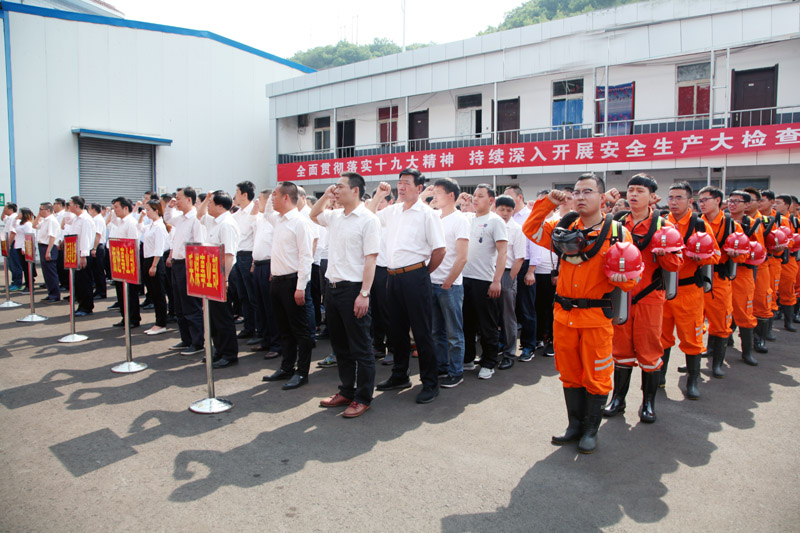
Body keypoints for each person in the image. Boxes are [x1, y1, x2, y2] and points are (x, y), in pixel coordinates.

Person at [523, 173, 637, 454]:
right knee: (569, 374)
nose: (580, 197)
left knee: (597, 375)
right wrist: (549, 203)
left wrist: (620, 275)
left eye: (588, 191)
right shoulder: (562, 228)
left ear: (602, 197)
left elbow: (631, 278)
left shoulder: (617, 233)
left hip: (596, 318)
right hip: (564, 316)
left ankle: (590, 430)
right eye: (576, 192)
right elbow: (531, 228)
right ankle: (574, 426)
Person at [604, 174, 682, 424]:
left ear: (652, 196)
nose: (634, 195)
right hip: (622, 296)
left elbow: (675, 265)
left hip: (650, 297)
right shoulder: (617, 223)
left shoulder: (664, 226)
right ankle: (618, 399)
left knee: (649, 351)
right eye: (631, 190)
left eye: (640, 190)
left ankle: (648, 403)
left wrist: (664, 252)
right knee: (621, 349)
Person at [367, 168, 446, 404]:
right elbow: (368, 217)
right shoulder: (392, 211)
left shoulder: (428, 214)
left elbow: (440, 250)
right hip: (392, 277)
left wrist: (422, 273)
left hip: (415, 276)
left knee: (422, 332)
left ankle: (430, 383)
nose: (401, 187)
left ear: (419, 188)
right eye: (399, 182)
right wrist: (379, 196)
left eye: (407, 183)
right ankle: (400, 375)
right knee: (396, 331)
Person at [312, 172, 381, 417]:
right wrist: (326, 196)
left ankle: (363, 398)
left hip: (354, 290)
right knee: (340, 346)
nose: (336, 190)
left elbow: (371, 258)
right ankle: (346, 391)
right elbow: (313, 214)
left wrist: (364, 293)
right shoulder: (336, 216)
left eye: (340, 186)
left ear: (355, 190)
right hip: (332, 288)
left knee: (361, 347)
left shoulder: (368, 219)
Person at [658, 182, 719, 399]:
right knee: (661, 337)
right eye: (671, 197)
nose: (673, 202)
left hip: (688, 290)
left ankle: (693, 380)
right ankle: (659, 378)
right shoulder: (661, 223)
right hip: (663, 290)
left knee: (691, 337)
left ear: (689, 201)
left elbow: (716, 255)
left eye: (679, 198)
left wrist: (699, 257)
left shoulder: (699, 225)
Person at [261, 182, 315, 390]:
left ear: (286, 198)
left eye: (275, 195)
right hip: (277, 281)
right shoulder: (278, 219)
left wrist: (301, 286)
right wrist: (274, 188)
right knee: (284, 329)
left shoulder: (300, 223)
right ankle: (286, 367)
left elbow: (306, 257)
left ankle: (302, 372)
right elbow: (267, 212)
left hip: (293, 283)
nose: (271, 198)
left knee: (300, 331)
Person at [698, 186, 747, 377]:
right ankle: (693, 358)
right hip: (697, 278)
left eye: (705, 200)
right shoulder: (696, 223)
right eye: (700, 200)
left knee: (721, 323)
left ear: (718, 201)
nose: (702, 204)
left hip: (719, 279)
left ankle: (717, 364)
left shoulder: (732, 225)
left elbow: (744, 253)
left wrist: (736, 254)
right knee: (693, 323)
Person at [461, 185, 508, 379]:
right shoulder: (468, 219)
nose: (475, 199)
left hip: (485, 280)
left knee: (487, 325)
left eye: (480, 196)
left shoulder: (495, 221)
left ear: (491, 200)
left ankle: (489, 362)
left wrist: (497, 281)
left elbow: (503, 253)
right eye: (474, 195)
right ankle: (468, 358)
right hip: (465, 278)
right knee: (467, 323)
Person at [427, 178, 469, 388]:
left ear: (451, 195)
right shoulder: (434, 217)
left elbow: (462, 257)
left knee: (454, 333)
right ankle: (442, 367)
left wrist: (448, 282)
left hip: (449, 286)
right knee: (437, 332)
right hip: (432, 282)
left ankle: (456, 371)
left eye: (438, 192)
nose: (434, 196)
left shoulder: (460, 220)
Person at [197, 191, 241, 368]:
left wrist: (224, 278)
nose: (208, 205)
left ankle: (229, 354)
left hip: (224, 274)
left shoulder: (227, 224)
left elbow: (229, 255)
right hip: (212, 273)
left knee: (223, 317)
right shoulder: (214, 221)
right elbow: (199, 214)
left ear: (220, 206)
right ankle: (219, 350)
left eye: (211, 203)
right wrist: (207, 198)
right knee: (213, 316)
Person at [164, 187, 206, 356]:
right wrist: (169, 206)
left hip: (189, 265)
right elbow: (167, 218)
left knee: (191, 305)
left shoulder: (196, 219)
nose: (176, 201)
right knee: (179, 305)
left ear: (189, 199)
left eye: (179, 198)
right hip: (177, 264)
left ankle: (197, 342)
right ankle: (186, 339)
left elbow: (199, 245)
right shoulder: (180, 218)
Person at [727, 189, 763, 364]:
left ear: (747, 205)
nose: (732, 204)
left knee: (744, 312)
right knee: (719, 312)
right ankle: (713, 347)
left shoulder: (753, 224)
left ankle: (747, 351)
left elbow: (759, 250)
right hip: (724, 273)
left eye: (737, 201)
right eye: (730, 201)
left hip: (743, 273)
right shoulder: (723, 221)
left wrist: (742, 253)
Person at [505, 184, 540, 361]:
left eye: (510, 196)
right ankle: (504, 344)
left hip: (525, 265)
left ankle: (528, 346)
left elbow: (536, 245)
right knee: (507, 309)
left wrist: (531, 270)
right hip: (506, 267)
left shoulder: (530, 217)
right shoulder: (503, 217)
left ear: (519, 197)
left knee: (526, 308)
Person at [494, 194, 527, 370]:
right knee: (491, 316)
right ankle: (491, 353)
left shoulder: (517, 229)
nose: (505, 213)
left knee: (508, 317)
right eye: (502, 209)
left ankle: (509, 354)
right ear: (495, 209)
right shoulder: (491, 225)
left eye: (508, 210)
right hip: (488, 273)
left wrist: (509, 279)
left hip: (507, 274)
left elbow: (520, 258)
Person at [248, 189, 282, 357]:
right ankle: (266, 340)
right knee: (260, 306)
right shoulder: (260, 220)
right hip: (259, 265)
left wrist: (274, 268)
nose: (257, 202)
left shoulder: (275, 220)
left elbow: (277, 246)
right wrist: (253, 263)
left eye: (260, 199)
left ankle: (276, 344)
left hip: (270, 266)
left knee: (271, 308)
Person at [742, 187, 775, 353]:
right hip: (739, 268)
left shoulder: (766, 221)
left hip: (760, 266)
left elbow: (777, 243)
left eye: (751, 200)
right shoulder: (733, 221)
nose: (747, 204)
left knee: (761, 301)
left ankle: (759, 339)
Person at [230, 180, 259, 342]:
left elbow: (257, 239)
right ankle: (248, 327)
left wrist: (254, 261)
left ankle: (258, 329)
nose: (235, 195)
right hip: (238, 257)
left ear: (244, 194)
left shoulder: (255, 213)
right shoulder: (236, 215)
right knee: (242, 295)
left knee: (252, 296)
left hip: (249, 256)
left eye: (237, 192)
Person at [107, 197, 141, 327]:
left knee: (130, 292)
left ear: (126, 208)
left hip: (127, 261)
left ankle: (133, 318)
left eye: (116, 207)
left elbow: (134, 244)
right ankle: (124, 317)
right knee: (120, 291)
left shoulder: (131, 223)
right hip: (117, 260)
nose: (114, 210)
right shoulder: (118, 222)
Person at [371, 188, 394, 365]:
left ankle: (393, 348)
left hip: (389, 270)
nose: (379, 205)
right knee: (375, 311)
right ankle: (378, 345)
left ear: (390, 203)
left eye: (382, 201)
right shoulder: (371, 220)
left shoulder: (394, 220)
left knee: (389, 312)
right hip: (373, 270)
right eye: (376, 201)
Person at [140, 200, 170, 335]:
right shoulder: (151, 225)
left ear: (156, 210)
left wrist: (154, 265)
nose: (147, 212)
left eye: (149, 210)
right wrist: (141, 216)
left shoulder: (159, 226)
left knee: (159, 293)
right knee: (153, 292)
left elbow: (159, 248)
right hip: (148, 259)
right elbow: (139, 227)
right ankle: (158, 322)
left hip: (155, 260)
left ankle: (161, 323)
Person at [67, 196, 97, 317]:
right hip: (75, 253)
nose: (68, 206)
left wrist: (83, 255)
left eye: (70, 204)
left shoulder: (86, 219)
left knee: (84, 282)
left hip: (83, 254)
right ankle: (81, 304)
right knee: (78, 282)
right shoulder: (76, 218)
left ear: (77, 206)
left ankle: (87, 307)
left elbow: (86, 238)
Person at [774, 194, 798, 332]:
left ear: (787, 206)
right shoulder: (770, 219)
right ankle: (775, 312)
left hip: (789, 260)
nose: (775, 205)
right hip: (774, 260)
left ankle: (789, 321)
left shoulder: (793, 221)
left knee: (788, 290)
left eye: (778, 203)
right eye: (774, 202)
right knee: (772, 291)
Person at [36, 203, 61, 303]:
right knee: (46, 273)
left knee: (51, 272)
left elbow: (52, 237)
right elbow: (34, 225)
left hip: (49, 247)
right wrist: (38, 215)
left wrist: (48, 251)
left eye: (41, 209)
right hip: (43, 246)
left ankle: (55, 295)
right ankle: (51, 293)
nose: (40, 211)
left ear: (48, 210)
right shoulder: (45, 220)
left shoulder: (51, 220)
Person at [10, 208, 37, 291]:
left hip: (24, 247)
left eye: (20, 213)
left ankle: (30, 285)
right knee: (24, 267)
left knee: (27, 267)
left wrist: (24, 247)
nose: (19, 214)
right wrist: (15, 218)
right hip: (18, 246)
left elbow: (28, 236)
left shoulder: (28, 224)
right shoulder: (20, 223)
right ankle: (27, 283)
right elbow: (14, 226)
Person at [87, 203, 107, 300]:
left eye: (89, 209)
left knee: (99, 270)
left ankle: (102, 291)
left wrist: (94, 248)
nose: (88, 210)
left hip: (98, 246)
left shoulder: (98, 219)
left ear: (94, 210)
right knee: (95, 270)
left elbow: (98, 235)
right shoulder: (95, 219)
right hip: (95, 246)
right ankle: (98, 290)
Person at [2, 203, 23, 291]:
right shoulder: (10, 218)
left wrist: (8, 245)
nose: (4, 210)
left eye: (5, 208)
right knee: (11, 264)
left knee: (15, 264)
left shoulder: (14, 218)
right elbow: (3, 218)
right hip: (9, 243)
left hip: (12, 243)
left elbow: (13, 233)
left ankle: (18, 283)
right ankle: (15, 281)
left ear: (10, 209)